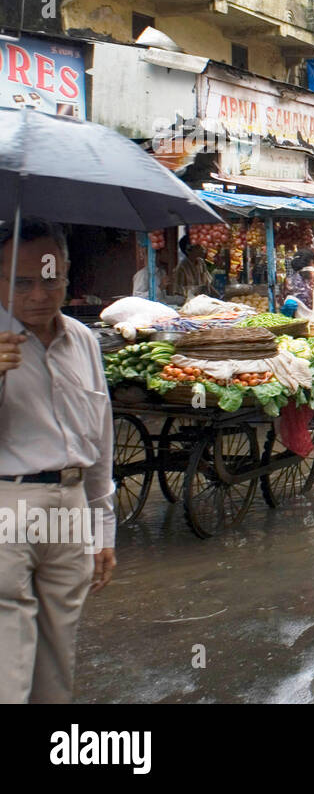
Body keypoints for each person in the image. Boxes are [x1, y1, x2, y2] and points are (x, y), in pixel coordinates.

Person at [0, 218, 116, 702]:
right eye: (20, 282)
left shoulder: (83, 342)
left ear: (67, 274)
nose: (38, 294)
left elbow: (100, 439)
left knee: (56, 658)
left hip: (70, 505)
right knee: (8, 660)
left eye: (51, 278)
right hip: (8, 505)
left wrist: (102, 529)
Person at [173, 235, 214, 300]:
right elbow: (178, 293)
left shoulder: (201, 263)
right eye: (198, 246)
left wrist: (220, 298)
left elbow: (208, 284)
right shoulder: (181, 268)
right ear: (188, 250)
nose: (202, 249)